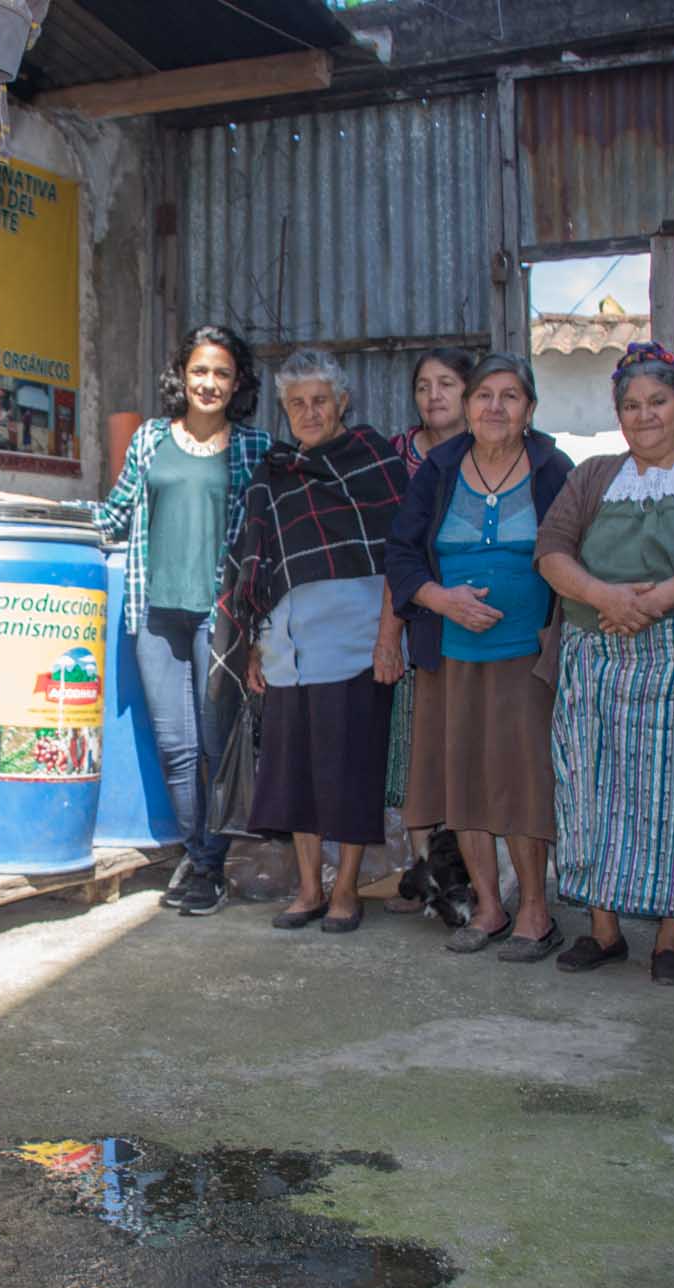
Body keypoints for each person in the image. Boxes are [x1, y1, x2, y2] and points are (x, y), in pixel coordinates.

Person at [534, 342, 674, 985]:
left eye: (658, 402)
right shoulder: (593, 475)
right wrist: (604, 596)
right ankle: (603, 932)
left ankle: (672, 939)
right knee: (592, 791)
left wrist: (659, 599)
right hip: (593, 653)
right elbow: (552, 551)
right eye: (630, 405)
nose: (643, 416)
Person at [387, 353, 574, 960]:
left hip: (529, 654)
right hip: (452, 652)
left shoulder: (551, 469)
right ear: (467, 407)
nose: (495, 407)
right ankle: (489, 907)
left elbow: (576, 550)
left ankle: (536, 913)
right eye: (484, 396)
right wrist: (440, 598)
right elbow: (402, 555)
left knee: (522, 781)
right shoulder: (439, 468)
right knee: (461, 777)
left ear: (530, 410)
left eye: (511, 396)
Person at [215, 347, 407, 934]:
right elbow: (258, 564)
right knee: (293, 771)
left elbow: (403, 558)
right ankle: (307, 888)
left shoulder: (375, 461)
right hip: (287, 648)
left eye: (320, 400)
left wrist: (387, 640)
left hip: (352, 643)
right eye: (296, 403)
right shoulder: (273, 472)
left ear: (342, 402)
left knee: (349, 770)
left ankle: (345, 890)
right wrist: (253, 646)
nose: (309, 411)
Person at [88, 325, 269, 918]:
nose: (208, 383)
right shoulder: (148, 441)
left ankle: (208, 865)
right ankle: (201, 854)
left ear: (236, 382)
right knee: (176, 746)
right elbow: (114, 514)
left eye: (221, 372)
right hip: (154, 612)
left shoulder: (253, 449)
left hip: (219, 620)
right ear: (181, 376)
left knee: (217, 744)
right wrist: (51, 518)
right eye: (199, 371)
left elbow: (267, 537)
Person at [384, 349, 479, 918]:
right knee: (417, 753)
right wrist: (386, 633)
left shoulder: (493, 451)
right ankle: (423, 867)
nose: (434, 396)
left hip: (480, 622)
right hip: (413, 615)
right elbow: (393, 552)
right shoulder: (397, 457)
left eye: (447, 384)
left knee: (469, 750)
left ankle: (468, 875)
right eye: (423, 386)